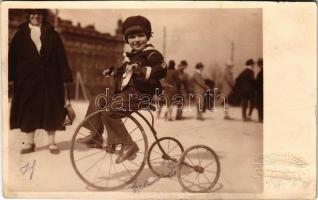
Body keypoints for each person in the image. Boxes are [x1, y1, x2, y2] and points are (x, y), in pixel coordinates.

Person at [77, 15, 167, 164]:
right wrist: (112, 71)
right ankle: (96, 135)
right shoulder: (131, 56)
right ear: (126, 40)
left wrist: (142, 70)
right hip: (126, 95)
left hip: (141, 94)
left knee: (110, 112)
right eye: (132, 37)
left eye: (141, 35)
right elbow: (123, 70)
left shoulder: (152, 54)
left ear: (148, 36)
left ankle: (128, 144)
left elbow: (161, 69)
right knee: (98, 100)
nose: (137, 40)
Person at [9, 9, 73, 154]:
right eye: (33, 13)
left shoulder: (53, 35)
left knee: (51, 107)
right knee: (28, 109)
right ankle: (29, 143)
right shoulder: (20, 35)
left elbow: (61, 57)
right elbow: (12, 58)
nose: (35, 16)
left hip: (50, 78)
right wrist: (11, 78)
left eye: (39, 13)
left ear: (43, 16)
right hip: (26, 79)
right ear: (28, 15)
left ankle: (51, 143)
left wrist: (65, 76)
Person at [255, 58, 263, 123]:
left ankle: (261, 119)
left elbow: (257, 83)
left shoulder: (261, 72)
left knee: (260, 105)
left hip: (260, 92)